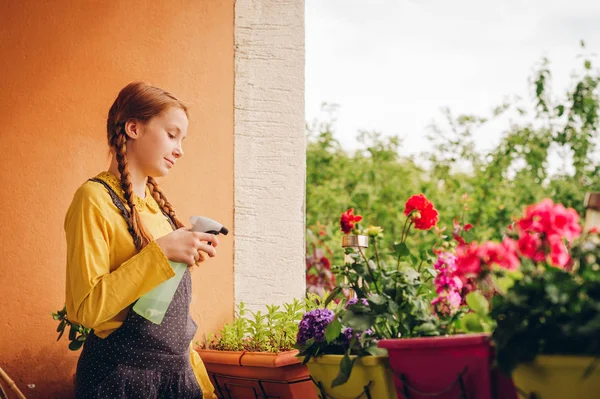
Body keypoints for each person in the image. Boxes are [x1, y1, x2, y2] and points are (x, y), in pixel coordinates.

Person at [64, 82, 218, 398]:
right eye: (172, 134)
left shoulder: (156, 207)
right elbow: (86, 310)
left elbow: (160, 315)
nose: (180, 149)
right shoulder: (93, 199)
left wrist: (184, 254)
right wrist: (161, 254)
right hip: (119, 380)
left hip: (174, 379)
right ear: (133, 128)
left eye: (182, 139)